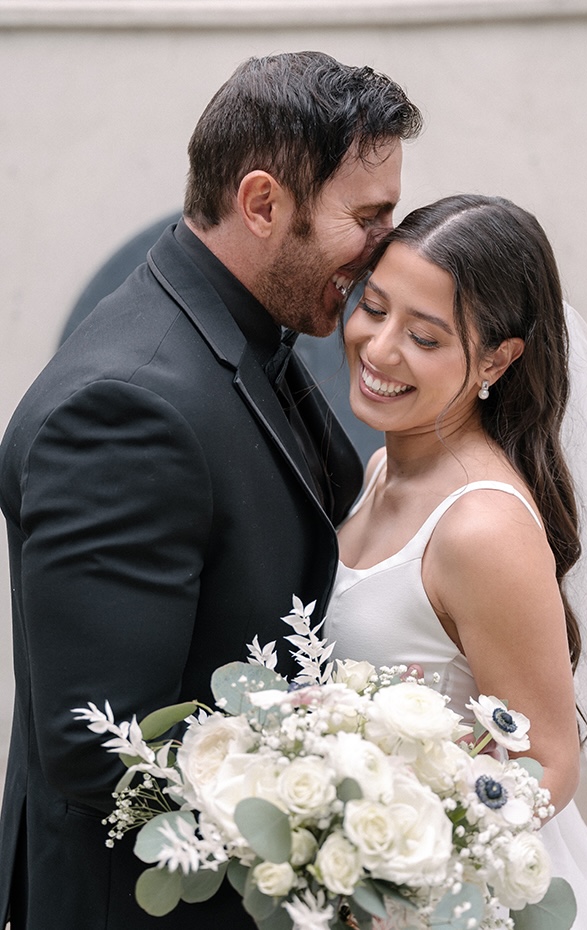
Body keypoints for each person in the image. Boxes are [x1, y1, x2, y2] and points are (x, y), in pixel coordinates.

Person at [0, 51, 422, 930]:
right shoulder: (125, 408)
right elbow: (104, 744)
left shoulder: (238, 330)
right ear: (263, 204)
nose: (389, 247)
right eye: (370, 216)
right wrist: (347, 803)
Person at [324, 195, 587, 928]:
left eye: (425, 338)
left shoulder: (480, 526)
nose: (379, 348)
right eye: (374, 307)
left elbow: (546, 763)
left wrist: (405, 858)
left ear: (497, 358)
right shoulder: (377, 470)